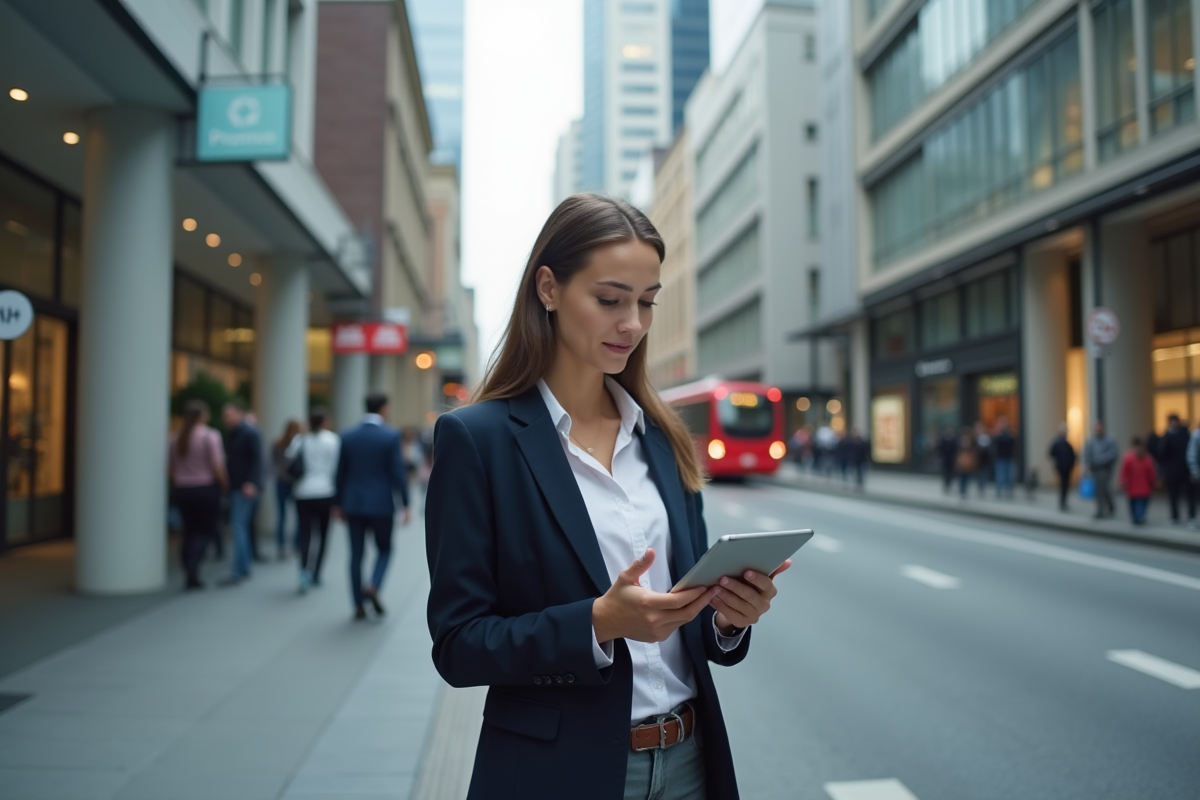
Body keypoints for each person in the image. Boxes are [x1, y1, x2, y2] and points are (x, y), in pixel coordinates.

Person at [424, 194, 788, 799]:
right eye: (610, 300)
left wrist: (727, 619)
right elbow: (459, 647)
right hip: (558, 774)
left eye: (647, 302)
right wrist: (597, 622)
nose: (634, 324)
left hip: (689, 763)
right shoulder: (477, 440)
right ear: (548, 288)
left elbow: (692, 631)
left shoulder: (664, 437)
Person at [335, 392, 410, 619]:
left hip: (354, 503)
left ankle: (358, 604)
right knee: (385, 549)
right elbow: (398, 472)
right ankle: (374, 584)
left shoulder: (347, 436)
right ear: (384, 409)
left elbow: (340, 473)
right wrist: (405, 504)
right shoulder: (390, 436)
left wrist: (338, 503)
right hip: (381, 504)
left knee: (356, 554)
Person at [168, 400, 228, 589]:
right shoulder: (210, 436)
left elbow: (171, 468)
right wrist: (225, 484)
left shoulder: (176, 437)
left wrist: (182, 479)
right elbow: (217, 466)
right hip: (205, 489)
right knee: (206, 531)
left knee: (188, 531)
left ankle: (189, 571)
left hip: (182, 489)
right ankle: (193, 569)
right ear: (203, 416)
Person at [286, 408, 340, 593]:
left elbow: (289, 459)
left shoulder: (300, 440)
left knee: (305, 533)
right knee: (324, 535)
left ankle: (303, 571)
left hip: (303, 492)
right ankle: (316, 572)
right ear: (324, 422)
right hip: (325, 491)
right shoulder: (332, 440)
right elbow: (335, 467)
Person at [221, 400, 263, 585]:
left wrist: (252, 482)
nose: (226, 419)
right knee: (241, 526)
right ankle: (243, 566)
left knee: (238, 526)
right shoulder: (233, 433)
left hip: (245, 487)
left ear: (239, 413)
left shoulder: (250, 432)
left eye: (229, 415)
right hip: (237, 486)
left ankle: (238, 569)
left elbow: (258, 460)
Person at [271, 419, 302, 560]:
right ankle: (295, 544)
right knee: (295, 515)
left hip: (283, 481)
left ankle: (282, 545)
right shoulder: (299, 443)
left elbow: (273, 464)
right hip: (293, 482)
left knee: (283, 515)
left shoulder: (279, 443)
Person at [1157, 414, 1193, 526]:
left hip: (1185, 470)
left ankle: (1192, 517)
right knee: (1173, 496)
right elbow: (1161, 452)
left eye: (1174, 421)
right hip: (1172, 471)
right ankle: (1174, 516)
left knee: (1190, 496)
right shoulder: (1167, 436)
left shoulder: (1186, 435)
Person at [1083, 420, 1118, 520]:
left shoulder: (1109, 439)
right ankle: (1103, 509)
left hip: (1105, 468)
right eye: (1096, 429)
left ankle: (1102, 510)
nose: (1097, 430)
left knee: (1103, 488)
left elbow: (1113, 453)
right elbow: (1087, 453)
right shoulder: (1091, 440)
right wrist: (1088, 463)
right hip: (1095, 469)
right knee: (1099, 489)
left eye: (1099, 428)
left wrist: (1101, 460)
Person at [1120, 437, 1156, 525]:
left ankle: (1138, 517)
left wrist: (1153, 481)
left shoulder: (1145, 458)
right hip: (1136, 487)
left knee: (1139, 504)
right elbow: (1125, 472)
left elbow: (1151, 472)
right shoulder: (1132, 458)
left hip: (1140, 487)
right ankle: (1138, 517)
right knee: (1136, 504)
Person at [1048, 423, 1077, 511]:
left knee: (1064, 485)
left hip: (1065, 467)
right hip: (1062, 467)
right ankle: (1062, 501)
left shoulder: (1065, 443)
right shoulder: (1059, 443)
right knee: (1063, 485)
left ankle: (1063, 501)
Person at [993, 416, 1017, 499]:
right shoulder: (999, 434)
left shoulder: (1009, 434)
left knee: (1008, 476)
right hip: (1001, 458)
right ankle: (1000, 491)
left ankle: (1008, 491)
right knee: (1001, 476)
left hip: (1008, 458)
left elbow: (1012, 443)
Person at [955, 428, 978, 498]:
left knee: (967, 477)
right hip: (962, 463)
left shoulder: (972, 442)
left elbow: (974, 452)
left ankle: (964, 490)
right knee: (962, 477)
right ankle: (962, 490)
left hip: (968, 463)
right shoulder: (960, 442)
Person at [936, 427, 958, 494]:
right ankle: (946, 484)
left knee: (950, 473)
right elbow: (939, 449)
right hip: (945, 460)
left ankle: (949, 484)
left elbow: (956, 450)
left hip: (951, 460)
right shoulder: (943, 440)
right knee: (945, 473)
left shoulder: (954, 440)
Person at [974, 421, 992, 496]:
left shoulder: (987, 437)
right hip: (977, 460)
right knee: (979, 474)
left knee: (984, 474)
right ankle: (979, 487)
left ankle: (982, 488)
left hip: (984, 460)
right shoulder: (975, 438)